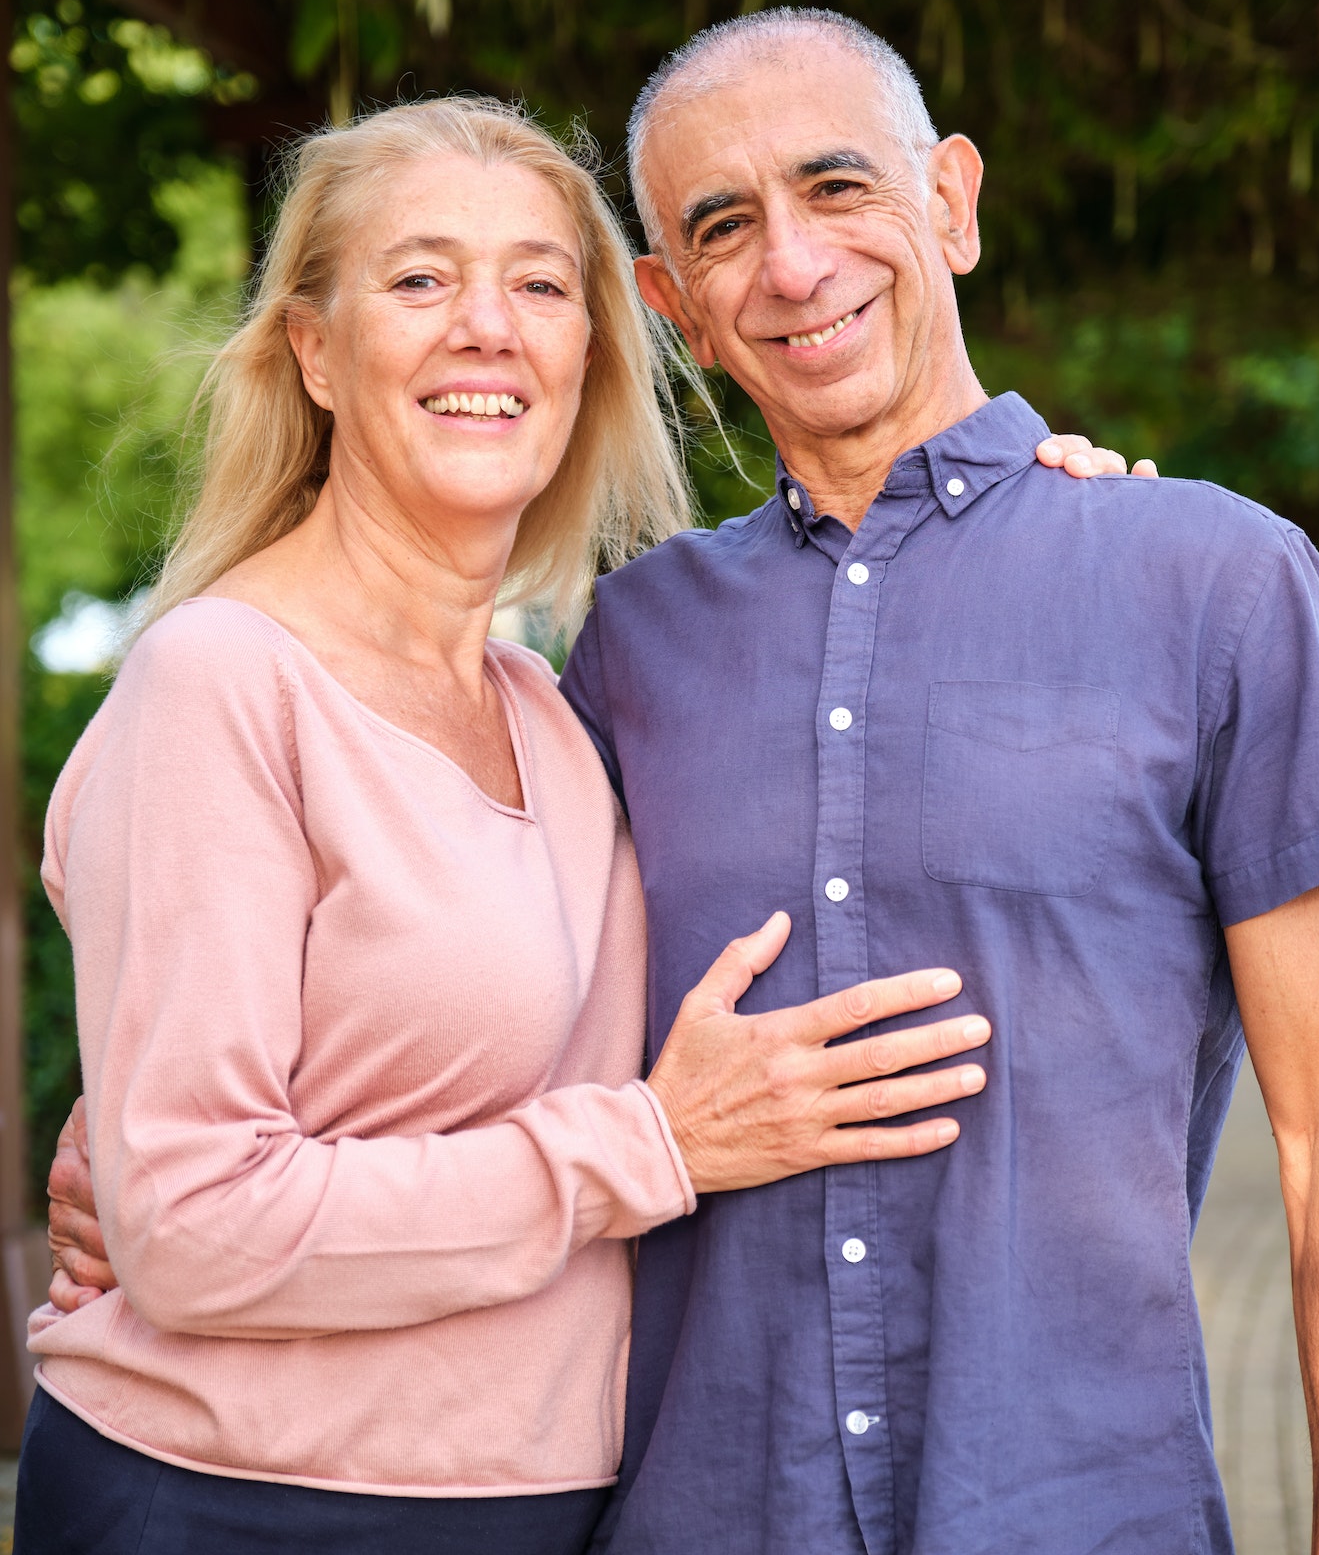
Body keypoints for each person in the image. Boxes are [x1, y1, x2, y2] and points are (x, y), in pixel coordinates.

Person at [18, 94, 1028, 1555]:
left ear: (587, 353)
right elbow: (193, 1233)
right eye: (420, 278)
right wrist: (651, 1145)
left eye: (538, 285)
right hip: (243, 1509)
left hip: (541, 1510)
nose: (486, 326)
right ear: (314, 348)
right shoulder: (220, 683)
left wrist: (1034, 514)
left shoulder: (556, 708)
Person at [545, 8, 1319, 1555]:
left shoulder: (1217, 585)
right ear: (673, 305)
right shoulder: (631, 644)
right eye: (722, 227)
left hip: (1076, 1508)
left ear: (950, 204)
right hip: (705, 1510)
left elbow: (1316, 1157)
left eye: (837, 189)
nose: (788, 263)